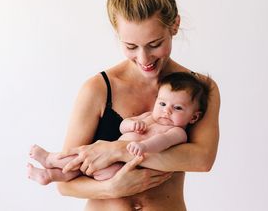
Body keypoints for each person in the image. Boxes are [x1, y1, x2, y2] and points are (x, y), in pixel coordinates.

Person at [32, 0, 220, 211]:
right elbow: (66, 183)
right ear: (117, 34)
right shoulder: (98, 89)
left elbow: (201, 160)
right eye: (131, 46)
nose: (144, 59)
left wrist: (119, 151)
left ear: (174, 25)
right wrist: (110, 188)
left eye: (155, 44)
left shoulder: (198, 89)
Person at [28, 72, 210, 184]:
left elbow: (162, 142)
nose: (166, 111)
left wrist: (143, 147)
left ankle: (51, 161)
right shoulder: (148, 117)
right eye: (162, 103)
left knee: (80, 165)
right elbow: (122, 126)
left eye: (177, 108)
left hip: (119, 168)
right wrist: (131, 124)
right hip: (104, 160)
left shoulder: (177, 132)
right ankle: (49, 174)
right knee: (77, 165)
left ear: (193, 116)